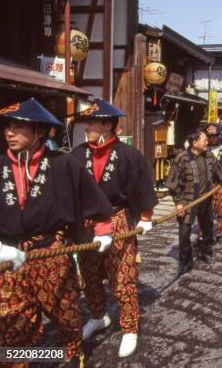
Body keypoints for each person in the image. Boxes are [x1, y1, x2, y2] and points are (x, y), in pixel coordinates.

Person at [0, 98, 113, 365]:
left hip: (50, 253)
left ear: (40, 130)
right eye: (7, 127)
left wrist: (103, 230)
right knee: (11, 324)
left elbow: (93, 200)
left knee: (65, 316)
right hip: (8, 256)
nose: (9, 133)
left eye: (17, 127)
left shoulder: (64, 164)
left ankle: (71, 356)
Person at [71, 99, 157, 358]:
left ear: (107, 125)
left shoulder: (129, 155)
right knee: (90, 276)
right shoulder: (77, 154)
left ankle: (130, 328)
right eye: (86, 122)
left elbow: (142, 186)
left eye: (92, 122)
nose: (87, 127)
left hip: (117, 220)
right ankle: (98, 316)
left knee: (123, 277)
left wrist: (145, 216)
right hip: (87, 225)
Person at [166, 130, 222, 272]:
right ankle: (185, 262)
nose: (207, 142)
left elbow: (218, 170)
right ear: (194, 143)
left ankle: (206, 252)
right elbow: (173, 184)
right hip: (188, 201)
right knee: (184, 233)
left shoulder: (209, 156)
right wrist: (178, 203)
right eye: (204, 140)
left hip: (206, 199)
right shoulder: (182, 158)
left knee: (208, 229)